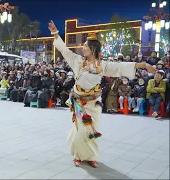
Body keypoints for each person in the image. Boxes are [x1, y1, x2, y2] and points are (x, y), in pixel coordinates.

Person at [48, 20, 157, 168]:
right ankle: (78, 156)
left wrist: (144, 65)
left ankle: (90, 156)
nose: (83, 47)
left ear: (93, 49)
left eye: (85, 45)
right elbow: (64, 50)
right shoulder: (77, 61)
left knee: (93, 131)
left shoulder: (103, 65)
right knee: (81, 131)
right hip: (80, 103)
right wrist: (55, 33)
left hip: (94, 102)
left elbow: (120, 67)